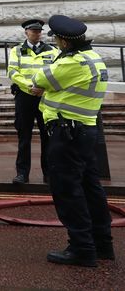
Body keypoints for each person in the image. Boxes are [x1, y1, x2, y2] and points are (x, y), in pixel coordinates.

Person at [31, 15, 113, 267]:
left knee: (68, 190)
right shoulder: (93, 58)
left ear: (64, 42)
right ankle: (102, 245)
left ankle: (81, 249)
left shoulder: (72, 62)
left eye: (56, 40)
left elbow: (38, 81)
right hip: (85, 131)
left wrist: (46, 87)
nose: (54, 43)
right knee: (91, 189)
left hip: (67, 133)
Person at [8, 19, 59, 185]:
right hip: (25, 97)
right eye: (33, 31)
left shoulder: (52, 50)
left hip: (46, 96)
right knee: (24, 137)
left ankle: (49, 173)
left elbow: (58, 72)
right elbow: (13, 72)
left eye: (39, 31)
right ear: (26, 32)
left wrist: (44, 88)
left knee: (48, 137)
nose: (37, 33)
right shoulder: (16, 50)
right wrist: (31, 86)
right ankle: (22, 173)